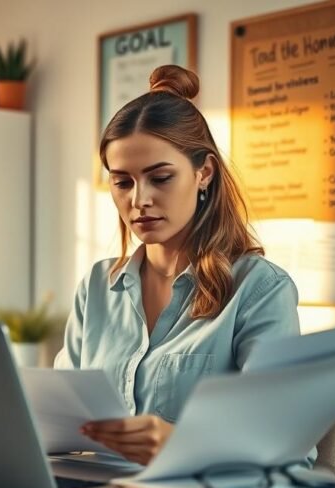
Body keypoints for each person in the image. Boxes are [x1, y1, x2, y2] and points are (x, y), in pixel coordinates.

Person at [54, 65, 299, 465]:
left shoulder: (260, 289)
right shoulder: (97, 286)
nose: (139, 200)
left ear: (203, 173)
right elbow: (62, 422)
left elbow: (285, 446)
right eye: (122, 182)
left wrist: (183, 442)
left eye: (161, 178)